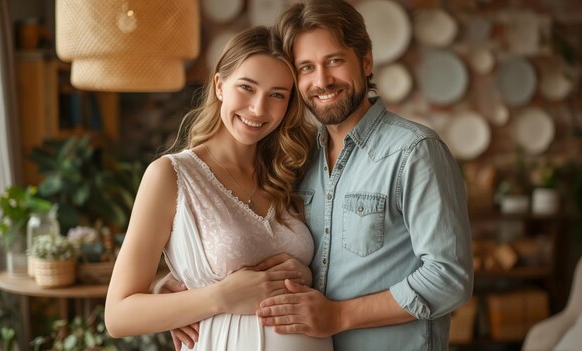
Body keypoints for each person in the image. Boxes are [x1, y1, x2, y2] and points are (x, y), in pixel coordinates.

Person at [163, 0, 473, 350]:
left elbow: (450, 278)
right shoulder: (297, 159)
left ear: (366, 61)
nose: (322, 80)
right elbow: (262, 242)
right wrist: (180, 288)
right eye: (306, 67)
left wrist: (340, 316)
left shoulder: (414, 151)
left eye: (334, 61)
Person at [104, 25, 333, 351]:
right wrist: (219, 296)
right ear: (219, 85)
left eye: (277, 95)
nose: (258, 108)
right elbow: (118, 316)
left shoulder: (291, 171)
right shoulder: (171, 175)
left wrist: (302, 276)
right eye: (246, 87)